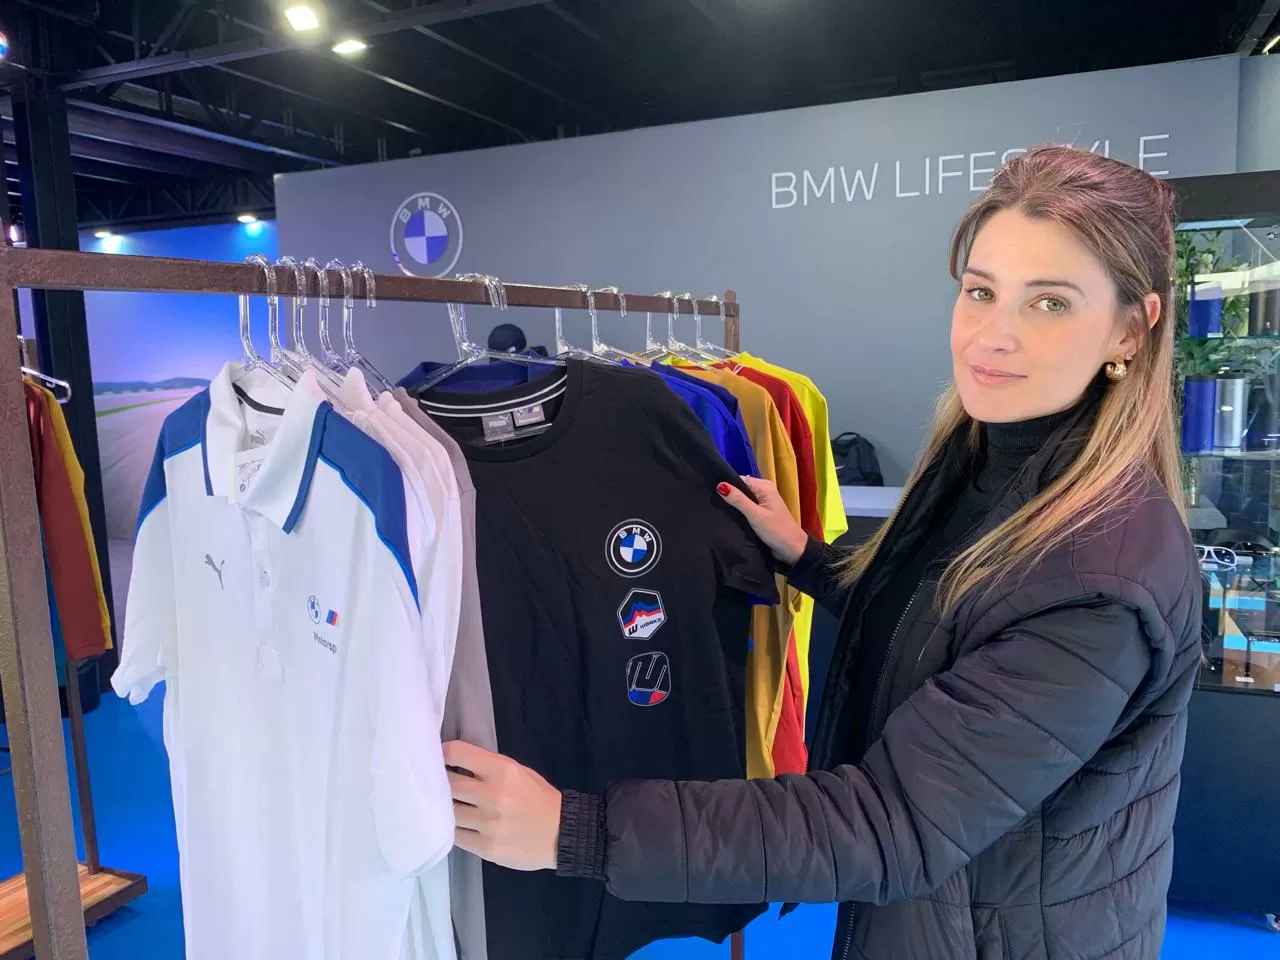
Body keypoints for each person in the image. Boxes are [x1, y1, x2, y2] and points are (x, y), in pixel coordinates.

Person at [444, 145, 1202, 960]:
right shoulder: (989, 458)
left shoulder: (1101, 577)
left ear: (1131, 328)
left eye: (1049, 303)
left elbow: (891, 822)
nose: (993, 336)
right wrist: (806, 556)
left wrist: (575, 830)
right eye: (981, 291)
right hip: (943, 918)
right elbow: (945, 623)